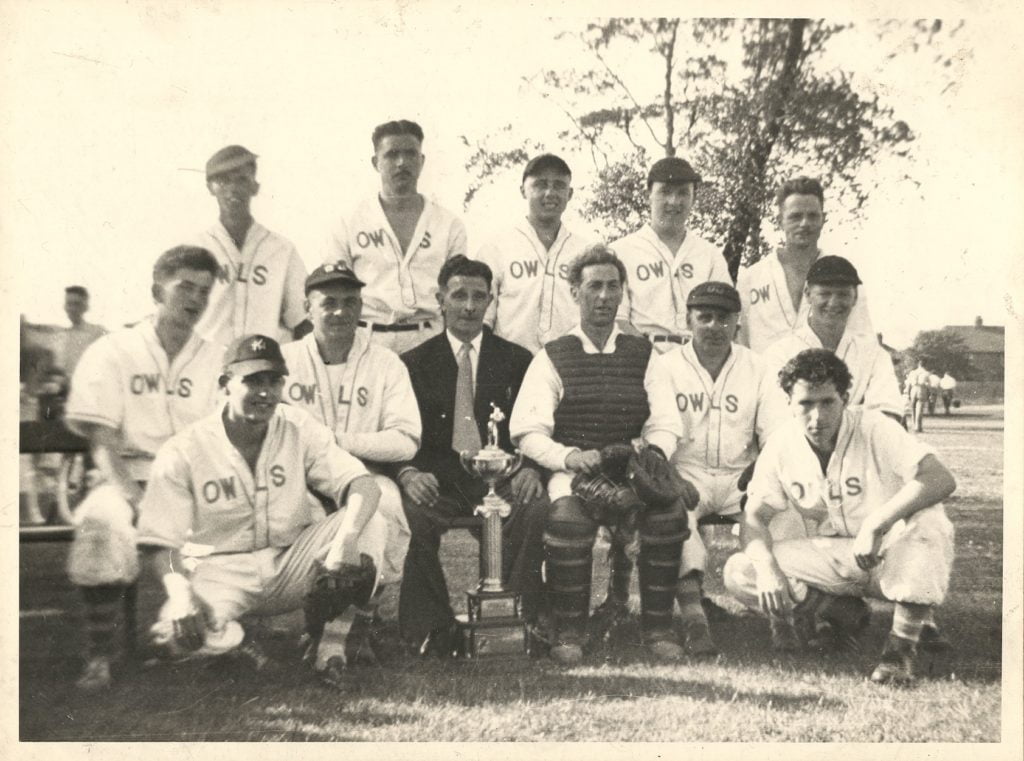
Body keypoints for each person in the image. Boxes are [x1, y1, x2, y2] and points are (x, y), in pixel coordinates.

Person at [136, 334, 387, 688]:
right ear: (225, 384)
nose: (266, 393)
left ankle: (331, 648)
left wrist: (345, 539)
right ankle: (237, 644)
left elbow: (362, 484)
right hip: (220, 570)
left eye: (274, 381)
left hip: (291, 562)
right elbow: (161, 542)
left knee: (369, 522)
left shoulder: (297, 426)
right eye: (253, 381)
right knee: (175, 637)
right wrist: (180, 596)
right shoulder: (185, 448)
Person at [722, 349, 956, 685]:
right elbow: (754, 517)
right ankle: (841, 612)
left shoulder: (875, 427)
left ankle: (900, 651)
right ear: (788, 402)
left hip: (890, 549)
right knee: (741, 571)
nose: (817, 416)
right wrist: (768, 569)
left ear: (845, 398)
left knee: (930, 521)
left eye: (827, 402)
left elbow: (939, 478)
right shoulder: (781, 443)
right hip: (837, 556)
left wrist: (879, 523)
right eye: (805, 403)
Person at [510, 245, 689, 665]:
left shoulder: (644, 354)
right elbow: (527, 430)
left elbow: (666, 420)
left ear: (623, 291)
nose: (605, 296)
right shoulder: (552, 355)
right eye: (594, 286)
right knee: (568, 519)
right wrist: (569, 456)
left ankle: (658, 628)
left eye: (613, 286)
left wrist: (653, 454)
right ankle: (570, 629)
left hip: (631, 469)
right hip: (574, 471)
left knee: (667, 516)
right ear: (574, 292)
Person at [63, 246, 226, 690]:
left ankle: (181, 632)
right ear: (158, 289)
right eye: (185, 287)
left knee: (227, 533)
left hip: (189, 483)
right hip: (125, 478)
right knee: (101, 522)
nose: (195, 299)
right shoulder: (114, 349)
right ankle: (101, 654)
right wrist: (137, 500)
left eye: (204, 292)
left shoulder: (216, 358)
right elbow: (103, 442)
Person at [397, 255, 547, 656]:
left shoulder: (518, 360)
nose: (468, 306)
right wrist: (409, 474)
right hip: (439, 482)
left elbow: (536, 423)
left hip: (502, 478)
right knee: (412, 517)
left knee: (533, 507)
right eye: (458, 295)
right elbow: (398, 430)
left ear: (491, 301)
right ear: (440, 300)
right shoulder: (412, 364)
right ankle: (432, 629)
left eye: (479, 296)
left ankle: (517, 621)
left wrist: (530, 467)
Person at [280, 261, 421, 661]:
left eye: (350, 302)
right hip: (301, 477)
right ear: (308, 309)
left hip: (367, 475)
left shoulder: (386, 363)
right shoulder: (285, 361)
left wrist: (336, 441)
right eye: (328, 302)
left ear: (362, 308)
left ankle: (357, 623)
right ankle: (315, 624)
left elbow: (406, 439)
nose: (340, 311)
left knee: (385, 507)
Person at [648, 281, 788, 655]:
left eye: (722, 318)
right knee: (676, 522)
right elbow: (653, 430)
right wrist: (670, 476)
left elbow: (777, 430)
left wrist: (762, 470)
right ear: (688, 321)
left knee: (778, 519)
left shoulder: (758, 367)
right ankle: (695, 620)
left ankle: (784, 616)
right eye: (704, 317)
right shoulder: (664, 366)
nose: (713, 326)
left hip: (740, 473)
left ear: (737, 323)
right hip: (686, 471)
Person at [324, 120, 468, 355]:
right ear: (375, 162)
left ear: (422, 161)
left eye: (410, 154)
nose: (402, 162)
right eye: (392, 154)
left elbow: (457, 293)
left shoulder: (449, 224)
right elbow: (337, 291)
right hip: (368, 340)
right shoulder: (349, 222)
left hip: (429, 339)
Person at [737, 177, 873, 353]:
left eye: (812, 216)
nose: (804, 224)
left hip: (825, 377)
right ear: (780, 220)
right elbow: (740, 345)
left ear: (823, 219)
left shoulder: (844, 278)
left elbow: (862, 340)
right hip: (764, 377)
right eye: (795, 216)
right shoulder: (752, 278)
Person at [190, 145, 308, 346]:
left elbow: (301, 320)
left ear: (255, 186)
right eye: (223, 180)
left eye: (242, 179)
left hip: (266, 367)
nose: (233, 188)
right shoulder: (195, 249)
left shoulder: (281, 249)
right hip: (209, 367)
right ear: (210, 187)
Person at [474, 153, 592, 353]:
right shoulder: (497, 247)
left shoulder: (586, 252)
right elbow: (482, 319)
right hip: (510, 366)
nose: (550, 193)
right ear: (523, 191)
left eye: (559, 185)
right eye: (540, 184)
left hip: (570, 365)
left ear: (570, 194)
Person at [761, 256, 903, 420]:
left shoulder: (873, 354)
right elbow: (776, 419)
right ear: (808, 294)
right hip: (798, 446)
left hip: (862, 445)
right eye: (824, 294)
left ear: (855, 297)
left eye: (843, 294)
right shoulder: (779, 353)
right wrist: (859, 412)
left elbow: (888, 417)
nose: (834, 302)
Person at [610, 157, 731, 350]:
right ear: (647, 195)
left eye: (683, 193)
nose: (674, 201)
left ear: (694, 198)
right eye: (665, 192)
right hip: (641, 356)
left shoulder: (709, 255)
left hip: (699, 357)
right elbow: (617, 320)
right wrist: (654, 358)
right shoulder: (621, 251)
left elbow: (727, 317)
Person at [60, 286, 107, 375]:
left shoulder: (97, 333)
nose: (73, 309)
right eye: (69, 304)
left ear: (86, 307)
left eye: (77, 304)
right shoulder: (60, 336)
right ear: (65, 307)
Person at [904, 360, 932, 433]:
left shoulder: (912, 372)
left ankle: (914, 425)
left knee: (913, 408)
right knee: (919, 408)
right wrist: (929, 394)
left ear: (918, 365)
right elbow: (929, 385)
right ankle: (918, 426)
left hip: (913, 389)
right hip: (922, 389)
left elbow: (909, 384)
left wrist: (908, 393)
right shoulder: (926, 373)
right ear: (925, 365)